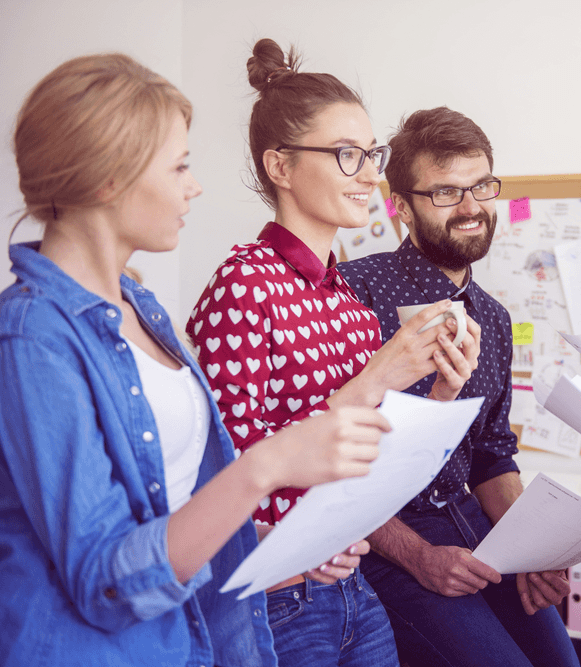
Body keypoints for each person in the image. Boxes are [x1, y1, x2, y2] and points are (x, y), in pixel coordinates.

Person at [0, 53, 390, 667]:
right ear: (110, 176)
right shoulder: (28, 337)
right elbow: (107, 581)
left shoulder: (142, 308)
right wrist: (268, 465)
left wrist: (282, 545)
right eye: (180, 166)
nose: (194, 185)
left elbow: (167, 521)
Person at [187, 40, 480, 667]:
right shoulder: (244, 283)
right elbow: (224, 463)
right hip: (276, 597)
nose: (371, 175)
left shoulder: (344, 293)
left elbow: (366, 455)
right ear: (281, 166)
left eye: (370, 155)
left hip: (351, 582)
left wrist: (441, 395)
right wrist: (377, 376)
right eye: (348, 155)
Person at [339, 107, 580, 667]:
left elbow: (492, 458)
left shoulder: (493, 319)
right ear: (401, 207)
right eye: (447, 192)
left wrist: (535, 551)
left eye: (481, 187)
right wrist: (419, 556)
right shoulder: (355, 293)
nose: (472, 208)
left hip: (471, 520)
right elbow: (338, 464)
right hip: (385, 537)